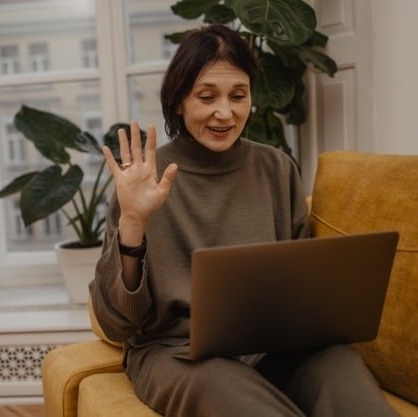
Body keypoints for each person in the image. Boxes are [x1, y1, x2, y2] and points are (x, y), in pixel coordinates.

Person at [89, 24, 398, 417]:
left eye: (238, 96)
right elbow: (118, 325)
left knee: (342, 369)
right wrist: (133, 221)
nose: (225, 112)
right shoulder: (142, 180)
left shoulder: (275, 168)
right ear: (178, 101)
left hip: (274, 346)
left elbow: (305, 285)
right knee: (228, 392)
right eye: (206, 97)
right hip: (176, 354)